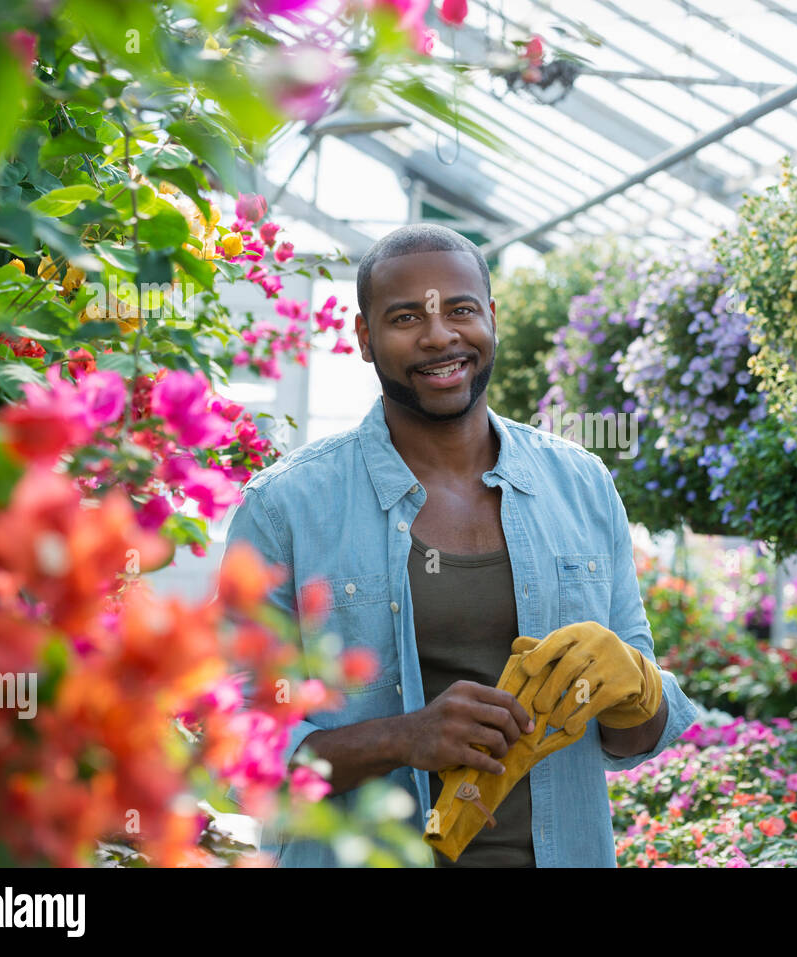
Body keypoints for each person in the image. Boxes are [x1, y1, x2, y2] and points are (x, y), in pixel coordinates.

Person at [222, 223, 697, 867]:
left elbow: (634, 735)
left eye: (461, 310)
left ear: (491, 319)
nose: (440, 335)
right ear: (364, 339)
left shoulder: (581, 485)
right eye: (406, 316)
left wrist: (640, 687)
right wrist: (402, 738)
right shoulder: (286, 508)